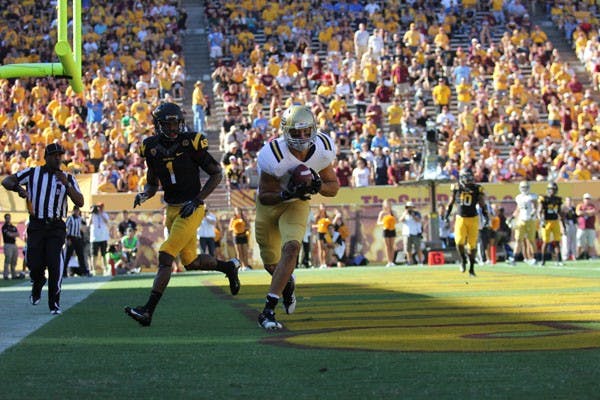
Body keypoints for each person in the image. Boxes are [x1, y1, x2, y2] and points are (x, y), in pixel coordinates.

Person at [124, 102, 241, 327]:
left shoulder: (191, 143)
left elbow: (216, 174)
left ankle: (147, 310)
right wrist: (144, 194)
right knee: (191, 261)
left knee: (166, 255)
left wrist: (198, 200)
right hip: (172, 208)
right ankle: (228, 267)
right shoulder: (151, 147)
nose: (173, 128)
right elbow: (152, 183)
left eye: (175, 123)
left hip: (192, 207)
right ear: (158, 125)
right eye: (167, 124)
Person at [254, 105, 339, 330]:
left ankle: (268, 310)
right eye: (295, 132)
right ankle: (287, 284)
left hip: (297, 205)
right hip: (271, 206)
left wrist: (318, 185)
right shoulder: (273, 154)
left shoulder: (322, 148)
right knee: (272, 264)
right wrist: (286, 192)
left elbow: (333, 187)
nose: (302, 137)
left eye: (306, 131)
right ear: (285, 132)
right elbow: (264, 197)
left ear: (314, 129)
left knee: (291, 249)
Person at [2, 143, 84, 315]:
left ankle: (54, 303)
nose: (57, 158)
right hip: (37, 224)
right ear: (45, 157)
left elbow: (80, 202)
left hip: (56, 226)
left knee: (55, 263)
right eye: (54, 155)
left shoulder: (68, 178)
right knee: (33, 262)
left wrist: (67, 186)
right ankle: (38, 282)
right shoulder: (33, 173)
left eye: (60, 155)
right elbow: (7, 180)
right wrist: (18, 189)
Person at [444, 168, 488, 276]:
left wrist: (486, 215)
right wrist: (446, 215)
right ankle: (463, 260)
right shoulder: (457, 187)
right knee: (459, 242)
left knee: (472, 246)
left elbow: (482, 203)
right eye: (466, 177)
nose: (468, 180)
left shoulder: (477, 188)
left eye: (469, 177)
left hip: (473, 218)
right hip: (461, 218)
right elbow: (451, 202)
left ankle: (472, 268)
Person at [537, 182, 564, 266]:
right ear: (548, 190)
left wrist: (563, 224)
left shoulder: (558, 199)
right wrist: (541, 220)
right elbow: (539, 211)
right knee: (545, 242)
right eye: (550, 189)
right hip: (546, 221)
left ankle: (559, 260)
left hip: (555, 221)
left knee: (557, 241)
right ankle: (543, 260)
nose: (552, 191)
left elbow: (559, 212)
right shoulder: (544, 199)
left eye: (553, 189)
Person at [511, 181, 538, 265]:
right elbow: (518, 209)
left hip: (530, 220)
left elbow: (535, 206)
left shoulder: (532, 196)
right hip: (521, 220)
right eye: (523, 187)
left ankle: (535, 258)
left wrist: (534, 211)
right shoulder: (518, 197)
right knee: (518, 240)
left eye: (525, 187)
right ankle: (514, 259)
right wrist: (512, 217)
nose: (524, 189)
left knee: (531, 240)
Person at [64, 206, 91, 277]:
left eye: (77, 211)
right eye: (75, 210)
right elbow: (65, 228)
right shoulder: (70, 218)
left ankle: (84, 271)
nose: (76, 212)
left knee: (81, 256)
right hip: (71, 238)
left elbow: (83, 227)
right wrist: (67, 238)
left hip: (78, 238)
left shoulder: (79, 218)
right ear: (73, 211)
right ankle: (64, 272)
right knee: (68, 256)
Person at [88, 203, 110, 275]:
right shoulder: (92, 215)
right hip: (94, 238)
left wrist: (101, 214)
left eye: (101, 207)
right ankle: (93, 270)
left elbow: (107, 222)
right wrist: (91, 213)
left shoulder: (105, 214)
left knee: (104, 254)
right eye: (98, 207)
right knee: (94, 255)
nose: (100, 209)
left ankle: (105, 268)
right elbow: (88, 224)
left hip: (103, 238)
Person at [400, 201, 424, 266]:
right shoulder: (404, 214)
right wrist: (405, 214)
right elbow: (401, 220)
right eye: (408, 207)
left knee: (418, 248)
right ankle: (409, 261)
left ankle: (420, 261)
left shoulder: (417, 213)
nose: (409, 209)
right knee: (408, 249)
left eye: (410, 207)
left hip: (415, 233)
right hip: (407, 233)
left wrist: (413, 215)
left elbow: (418, 220)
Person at [576, 193, 596, 260]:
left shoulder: (592, 206)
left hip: (590, 227)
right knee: (579, 243)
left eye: (588, 199)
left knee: (590, 243)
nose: (587, 200)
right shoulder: (580, 205)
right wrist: (588, 212)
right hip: (581, 227)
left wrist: (584, 212)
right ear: (583, 199)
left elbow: (593, 212)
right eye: (586, 198)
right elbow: (578, 213)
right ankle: (577, 256)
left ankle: (590, 256)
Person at [377, 199, 397, 267]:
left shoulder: (393, 212)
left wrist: (392, 221)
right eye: (386, 204)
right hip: (385, 229)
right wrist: (384, 222)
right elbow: (378, 222)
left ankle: (392, 261)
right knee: (387, 246)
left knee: (392, 245)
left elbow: (396, 220)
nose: (388, 205)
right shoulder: (382, 213)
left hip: (392, 229)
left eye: (389, 203)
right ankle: (389, 261)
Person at [2, 213, 22, 280]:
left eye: (9, 217)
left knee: (14, 260)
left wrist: (12, 234)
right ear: (5, 219)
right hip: (8, 245)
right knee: (8, 260)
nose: (8, 219)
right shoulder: (4, 227)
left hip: (14, 244)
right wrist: (13, 234)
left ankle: (14, 275)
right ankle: (6, 275)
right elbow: (9, 235)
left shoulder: (13, 226)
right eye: (7, 218)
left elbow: (18, 234)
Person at [562, 197, 578, 261]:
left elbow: (576, 216)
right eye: (568, 201)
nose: (569, 202)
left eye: (570, 201)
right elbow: (561, 218)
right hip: (566, 225)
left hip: (573, 225)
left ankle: (574, 255)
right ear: (565, 202)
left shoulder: (574, 209)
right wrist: (562, 227)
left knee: (574, 241)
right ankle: (565, 256)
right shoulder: (563, 209)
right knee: (566, 241)